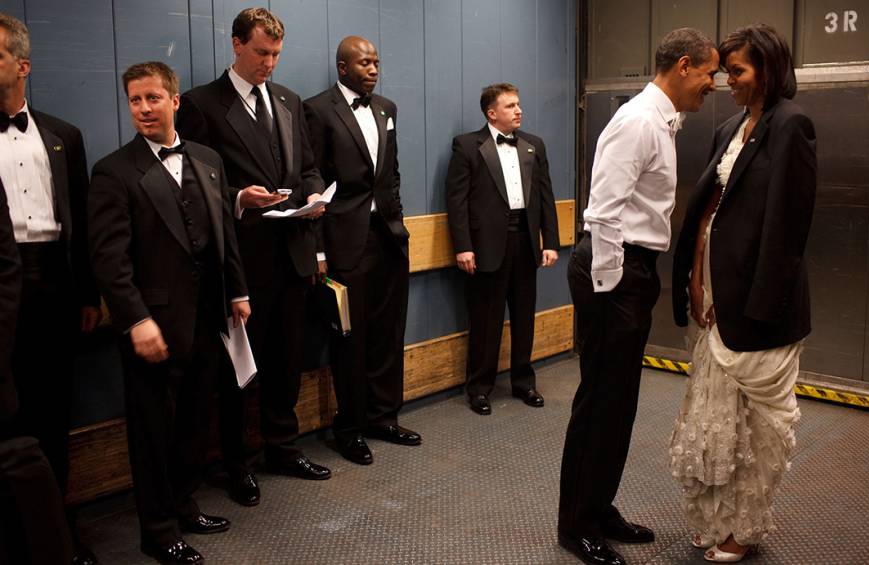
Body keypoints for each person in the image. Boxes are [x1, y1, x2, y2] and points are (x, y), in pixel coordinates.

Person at [558, 28, 719, 565]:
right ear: (682, 66)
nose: (712, 84)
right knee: (600, 400)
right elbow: (602, 213)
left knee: (619, 402)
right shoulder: (637, 121)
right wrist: (610, 292)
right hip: (614, 269)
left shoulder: (662, 121)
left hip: (633, 269)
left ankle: (599, 508)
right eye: (708, 72)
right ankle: (575, 525)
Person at [88, 62, 250, 564]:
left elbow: (225, 236)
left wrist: (239, 291)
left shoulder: (207, 159)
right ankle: (156, 530)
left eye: (153, 98)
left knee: (194, 421)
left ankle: (183, 503)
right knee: (153, 430)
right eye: (135, 100)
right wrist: (136, 320)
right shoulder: (114, 171)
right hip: (151, 325)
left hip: (207, 317)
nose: (143, 109)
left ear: (175, 101)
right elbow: (108, 260)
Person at [669, 23, 817, 563]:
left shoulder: (791, 126)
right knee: (717, 419)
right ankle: (715, 520)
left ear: (769, 70)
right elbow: (709, 210)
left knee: (760, 430)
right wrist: (692, 276)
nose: (727, 81)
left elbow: (786, 232)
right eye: (726, 70)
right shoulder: (730, 127)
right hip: (715, 297)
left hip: (759, 309)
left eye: (738, 71)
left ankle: (744, 529)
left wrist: (756, 309)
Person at [176, 7, 330, 507]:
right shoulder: (201, 104)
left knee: (287, 359)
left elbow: (306, 165)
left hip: (293, 253)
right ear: (237, 44)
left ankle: (282, 447)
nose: (270, 63)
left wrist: (312, 200)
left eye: (277, 54)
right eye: (262, 52)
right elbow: (191, 186)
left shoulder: (287, 99)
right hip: (240, 260)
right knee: (238, 369)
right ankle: (236, 461)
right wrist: (240, 198)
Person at [0, 12, 101, 565]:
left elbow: (81, 221)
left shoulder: (64, 136)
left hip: (54, 289)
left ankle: (57, 535)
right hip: (2, 288)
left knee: (52, 416)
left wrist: (88, 294)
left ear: (23, 65)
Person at [302, 36, 420, 465]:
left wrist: (400, 222)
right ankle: (348, 428)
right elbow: (310, 177)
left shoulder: (387, 108)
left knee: (389, 331)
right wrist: (318, 251)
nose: (373, 69)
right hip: (343, 240)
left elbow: (391, 174)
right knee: (350, 339)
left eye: (376, 61)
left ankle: (383, 417)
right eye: (364, 62)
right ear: (342, 67)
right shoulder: (317, 109)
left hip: (388, 236)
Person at [445, 83, 560, 416]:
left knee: (524, 317)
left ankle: (524, 383)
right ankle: (479, 388)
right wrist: (463, 247)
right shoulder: (467, 146)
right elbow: (457, 202)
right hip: (485, 247)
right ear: (491, 113)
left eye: (519, 104)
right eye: (510, 106)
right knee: (486, 321)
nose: (518, 110)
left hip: (525, 242)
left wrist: (550, 241)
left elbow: (545, 197)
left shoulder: (534, 146)